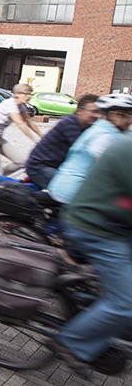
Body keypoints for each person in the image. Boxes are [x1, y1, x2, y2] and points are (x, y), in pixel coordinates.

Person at [50, 134, 132, 378]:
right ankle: (72, 343)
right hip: (96, 227)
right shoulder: (128, 148)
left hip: (115, 225)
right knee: (126, 302)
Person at [47, 94, 132, 204]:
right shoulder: (105, 136)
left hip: (70, 189)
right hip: (72, 194)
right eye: (127, 116)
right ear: (113, 115)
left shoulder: (101, 128)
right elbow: (110, 170)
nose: (130, 121)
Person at [25, 94, 100, 188]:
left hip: (57, 167)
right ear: (80, 111)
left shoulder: (87, 127)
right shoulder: (70, 123)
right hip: (39, 167)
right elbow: (85, 151)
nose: (97, 115)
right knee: (71, 189)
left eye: (99, 112)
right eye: (94, 111)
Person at [0, 83, 41, 176]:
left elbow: (29, 121)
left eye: (30, 94)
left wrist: (41, 136)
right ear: (18, 94)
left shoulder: (21, 106)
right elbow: (20, 123)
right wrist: (33, 139)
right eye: (26, 94)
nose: (29, 96)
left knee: (20, 162)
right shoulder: (10, 104)